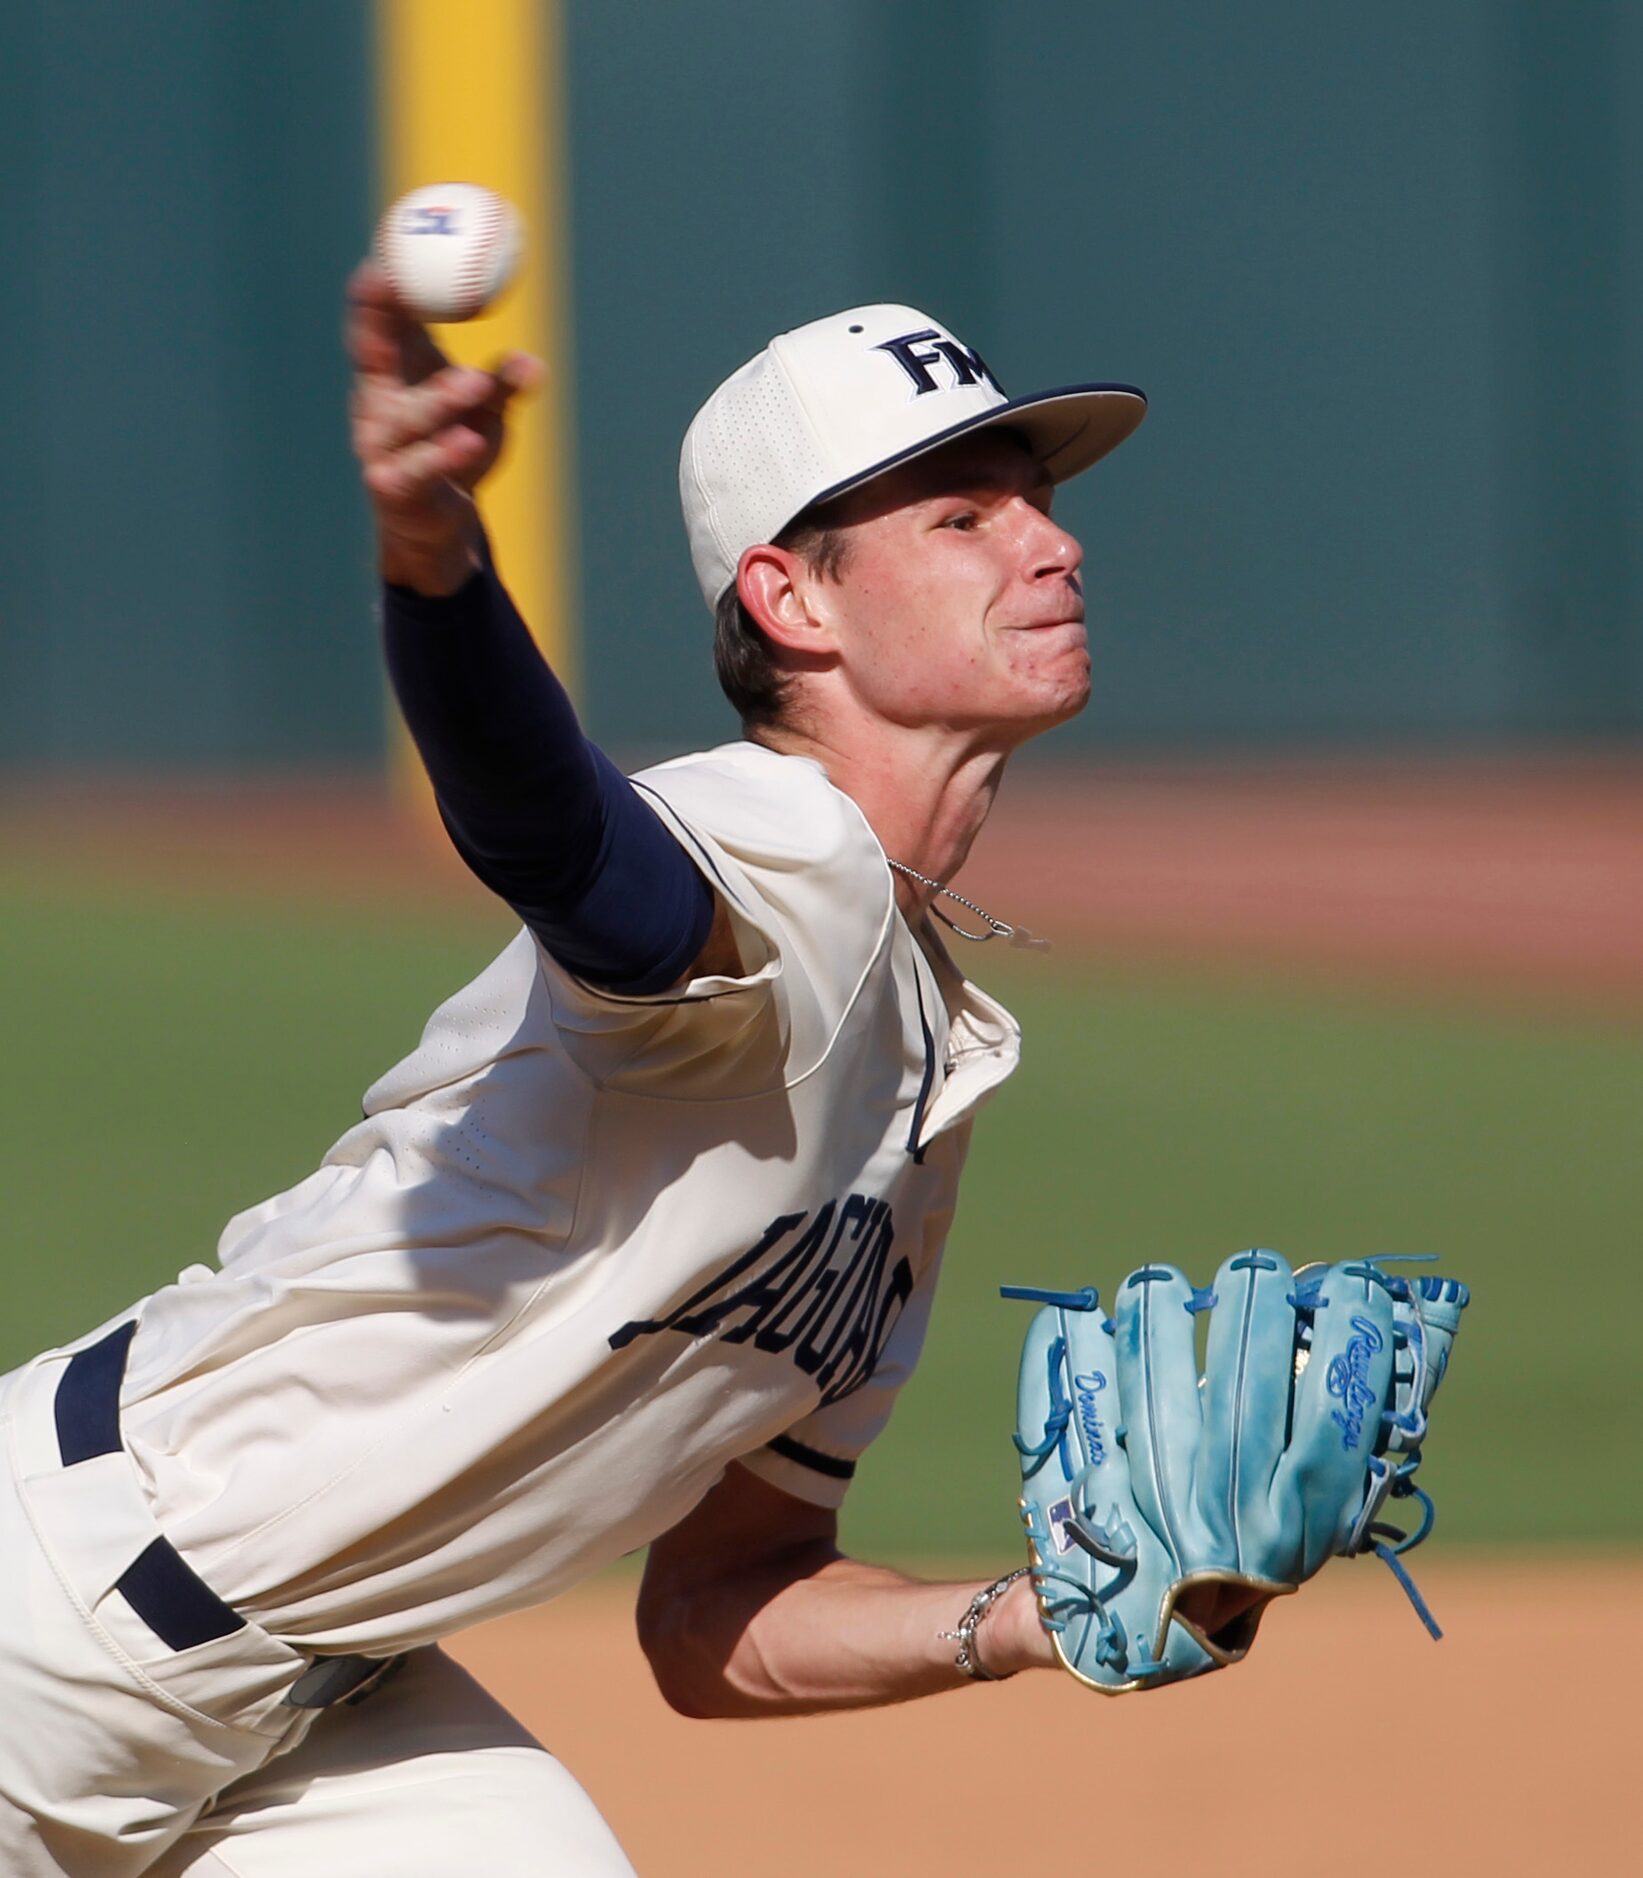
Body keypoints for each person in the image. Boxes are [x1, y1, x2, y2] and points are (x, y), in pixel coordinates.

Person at [0, 272, 1148, 1876]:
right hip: (51, 1627)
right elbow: (567, 844)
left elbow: (717, 1605)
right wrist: (435, 565)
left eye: (1037, 505)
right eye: (964, 516)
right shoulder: (784, 844)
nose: (1052, 542)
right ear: (791, 600)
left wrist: (1027, 1616)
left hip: (332, 1708)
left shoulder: (928, 1054)